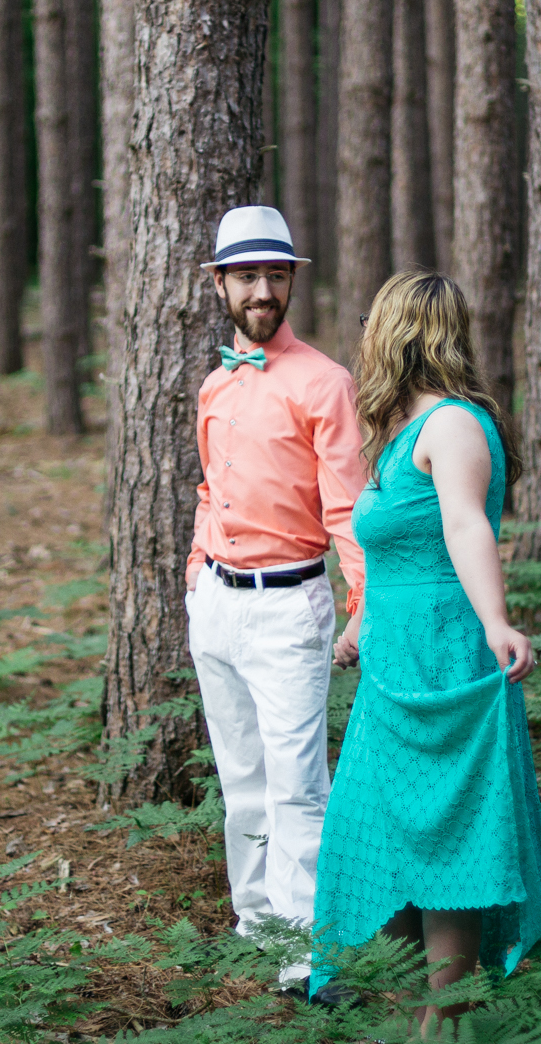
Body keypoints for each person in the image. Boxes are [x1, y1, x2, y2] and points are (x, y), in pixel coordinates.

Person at [310, 269, 541, 1025]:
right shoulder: (399, 434)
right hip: (391, 669)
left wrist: (496, 621)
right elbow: (391, 555)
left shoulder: (451, 423)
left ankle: (442, 1021)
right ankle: (411, 1010)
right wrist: (357, 626)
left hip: (446, 662)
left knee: (449, 838)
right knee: (377, 835)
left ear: (396, 332)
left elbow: (463, 527)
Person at [184, 205, 368, 993]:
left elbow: (348, 508)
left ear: (291, 280)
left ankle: (308, 945)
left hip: (290, 605)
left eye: (276, 274)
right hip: (217, 605)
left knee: (298, 783)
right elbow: (210, 485)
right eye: (248, 275)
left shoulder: (326, 383)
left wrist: (364, 605)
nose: (263, 289)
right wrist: (196, 567)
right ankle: (254, 919)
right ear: (221, 283)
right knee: (242, 780)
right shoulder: (216, 383)